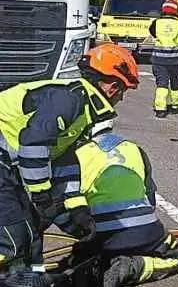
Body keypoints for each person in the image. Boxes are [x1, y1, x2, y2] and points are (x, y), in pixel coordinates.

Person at [0, 43, 139, 270]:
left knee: (32, 233)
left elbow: (64, 163)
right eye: (123, 90)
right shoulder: (69, 99)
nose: (121, 98)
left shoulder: (83, 109)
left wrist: (77, 215)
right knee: (13, 239)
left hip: (7, 163)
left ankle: (31, 286)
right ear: (114, 87)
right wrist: (42, 195)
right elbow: (33, 143)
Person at [49, 121, 178, 287]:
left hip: (100, 236)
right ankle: (136, 267)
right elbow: (150, 197)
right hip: (144, 232)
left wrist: (83, 235)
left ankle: (100, 261)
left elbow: (63, 204)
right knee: (174, 257)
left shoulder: (73, 155)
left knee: (88, 256)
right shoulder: (135, 149)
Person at [149, 0, 178, 118]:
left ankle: (160, 108)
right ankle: (176, 106)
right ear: (176, 11)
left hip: (159, 59)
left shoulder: (156, 22)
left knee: (162, 83)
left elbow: (152, 32)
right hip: (175, 60)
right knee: (176, 82)